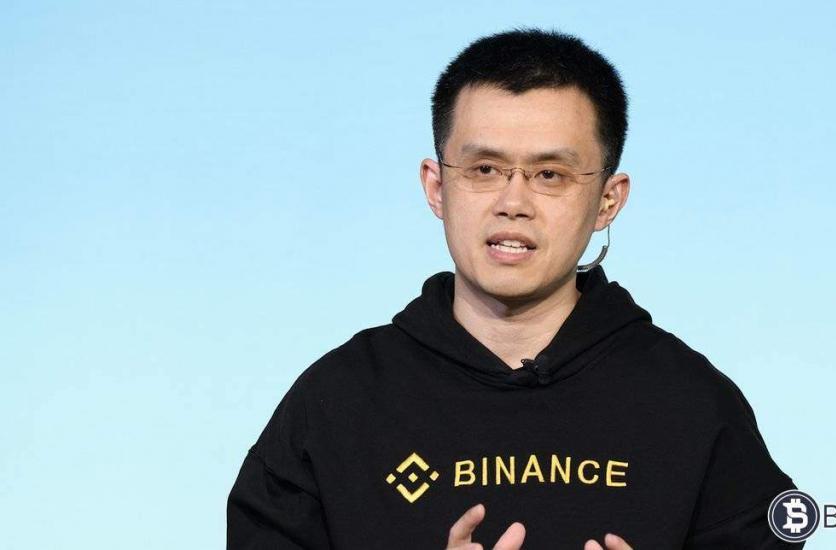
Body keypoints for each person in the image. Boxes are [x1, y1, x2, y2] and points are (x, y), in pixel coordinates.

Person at [227, 28, 803, 549]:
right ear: (436, 187)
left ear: (608, 200)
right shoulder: (338, 403)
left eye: (550, 174)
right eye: (484, 169)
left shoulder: (692, 405)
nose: (513, 202)